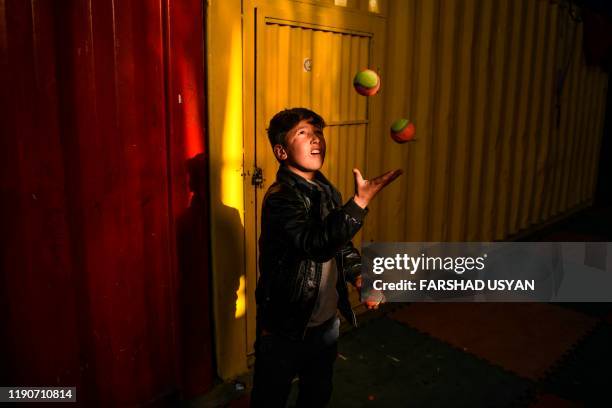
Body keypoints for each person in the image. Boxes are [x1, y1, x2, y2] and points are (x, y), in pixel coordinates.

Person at [250, 107, 402, 407]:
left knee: (317, 394)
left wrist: (359, 276)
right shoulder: (281, 197)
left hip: (324, 324)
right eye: (303, 133)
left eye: (318, 132)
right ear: (281, 151)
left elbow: (339, 244)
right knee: (270, 398)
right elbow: (315, 244)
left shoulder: (324, 189)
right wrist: (359, 202)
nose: (315, 139)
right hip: (285, 326)